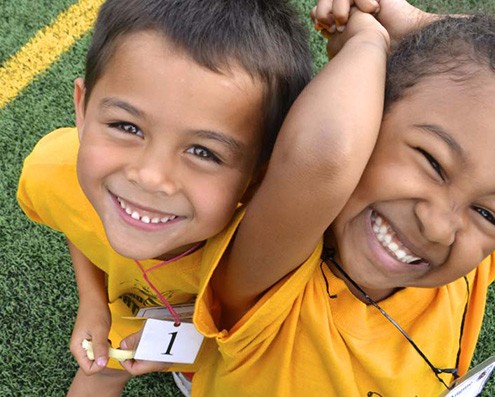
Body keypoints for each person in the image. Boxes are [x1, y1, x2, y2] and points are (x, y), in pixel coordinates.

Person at [183, 3, 495, 397]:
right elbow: (327, 154)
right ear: (369, 117)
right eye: (433, 162)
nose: (439, 227)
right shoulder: (274, 278)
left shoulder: (467, 273)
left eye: (487, 214)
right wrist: (367, 40)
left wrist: (419, 25)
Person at [16, 0, 312, 395]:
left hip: (237, 351)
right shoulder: (52, 172)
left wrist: (199, 342)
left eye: (203, 152)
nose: (151, 177)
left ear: (259, 175)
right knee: (102, 370)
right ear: (83, 109)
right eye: (126, 126)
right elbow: (75, 220)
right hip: (134, 324)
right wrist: (92, 301)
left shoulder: (267, 246)